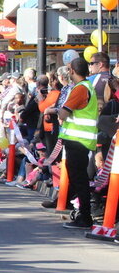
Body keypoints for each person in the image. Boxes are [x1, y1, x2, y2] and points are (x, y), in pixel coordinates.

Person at [50, 57, 98, 229]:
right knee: (79, 178)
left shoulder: (80, 89)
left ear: (72, 71)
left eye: (69, 69)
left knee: (79, 179)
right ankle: (82, 213)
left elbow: (63, 114)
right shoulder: (87, 86)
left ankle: (85, 217)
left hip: (78, 141)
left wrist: (55, 111)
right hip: (81, 140)